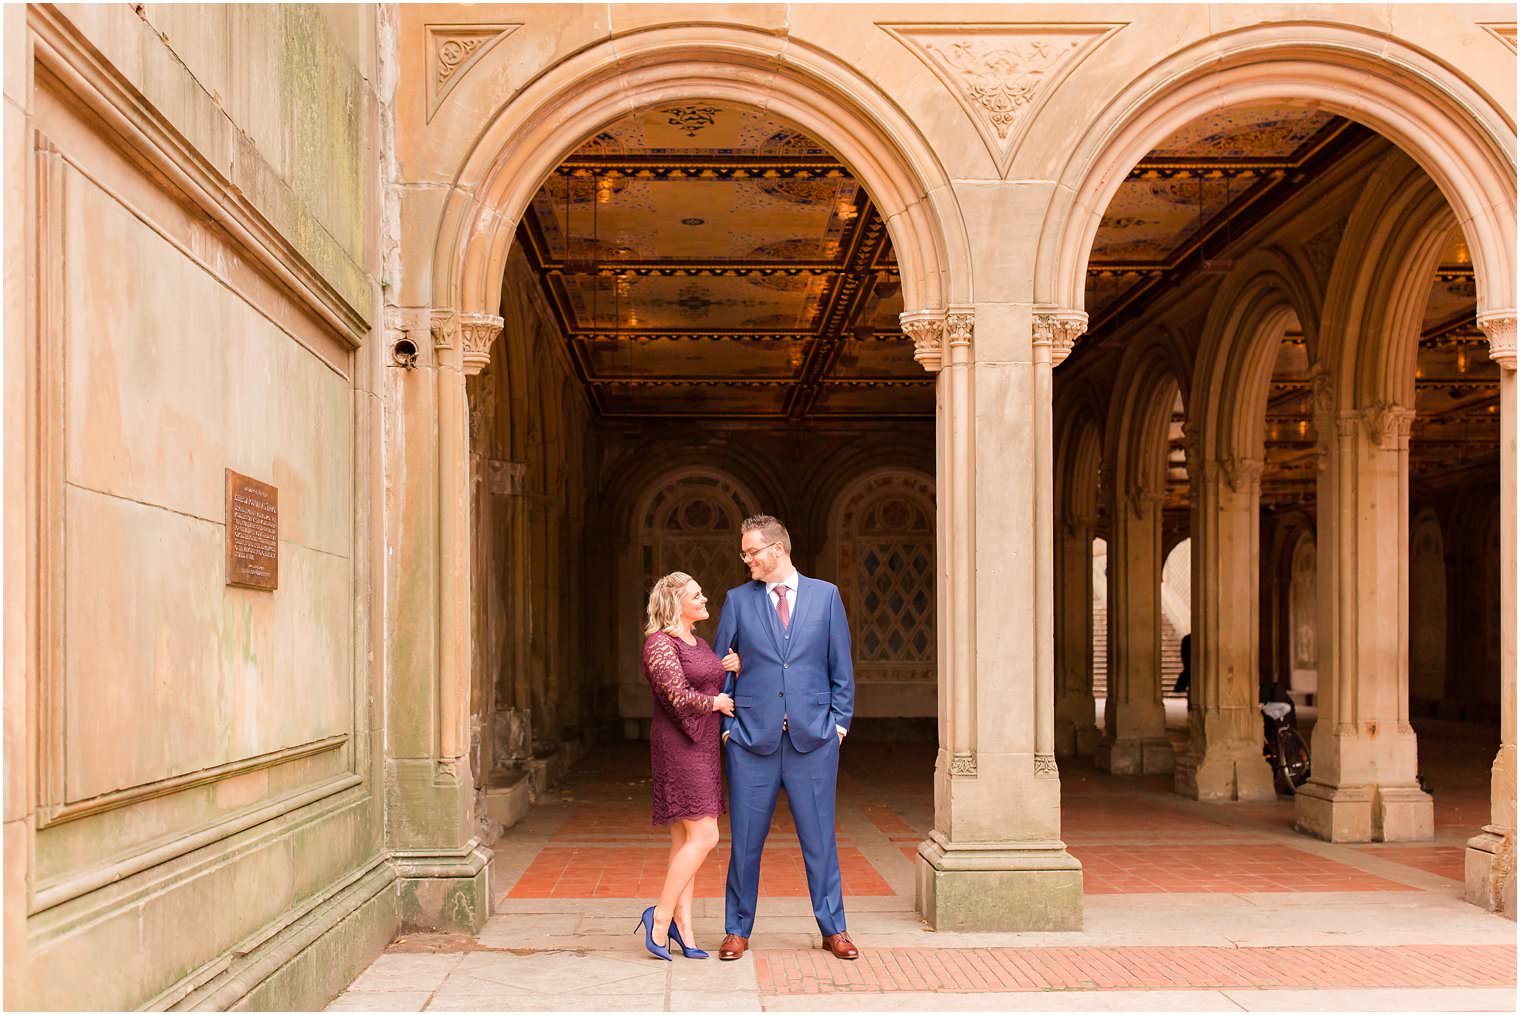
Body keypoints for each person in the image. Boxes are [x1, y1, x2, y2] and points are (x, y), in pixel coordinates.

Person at [711, 515, 858, 961]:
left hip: (813, 741)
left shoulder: (826, 596)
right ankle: (737, 928)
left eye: (752, 551)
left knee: (820, 841)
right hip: (751, 742)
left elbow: (841, 668)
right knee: (746, 842)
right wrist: (727, 731)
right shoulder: (738, 600)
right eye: (744, 553)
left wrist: (839, 724)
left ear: (777, 549)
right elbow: (720, 667)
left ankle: (834, 929)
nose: (747, 559)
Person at [634, 572, 741, 961]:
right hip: (678, 746)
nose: (704, 598)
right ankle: (659, 918)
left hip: (704, 746)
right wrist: (715, 704)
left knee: (685, 840)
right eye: (697, 595)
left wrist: (730, 666)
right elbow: (675, 694)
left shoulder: (698, 641)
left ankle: (686, 928)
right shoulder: (659, 644)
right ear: (675, 603)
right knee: (705, 836)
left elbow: (709, 678)